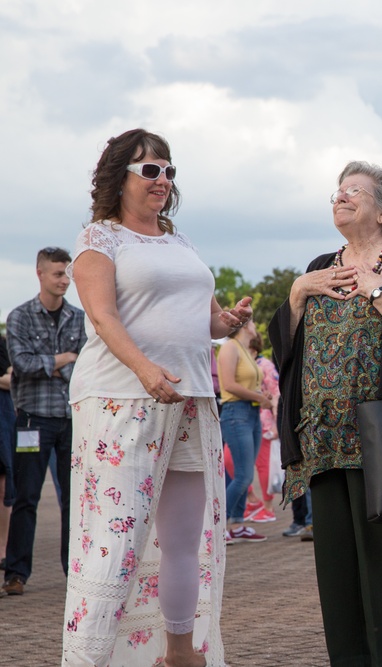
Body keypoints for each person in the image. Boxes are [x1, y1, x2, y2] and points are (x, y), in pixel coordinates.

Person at [62, 129, 251, 666]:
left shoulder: (179, 242)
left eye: (168, 171)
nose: (162, 181)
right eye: (150, 170)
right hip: (122, 399)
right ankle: (88, 658)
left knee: (185, 542)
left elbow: (205, 319)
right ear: (118, 176)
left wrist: (227, 321)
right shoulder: (99, 239)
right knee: (114, 544)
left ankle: (180, 653)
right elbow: (103, 317)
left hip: (189, 399)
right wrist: (144, 368)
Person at [269, 160, 382, 665]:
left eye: (354, 192)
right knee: (337, 572)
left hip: (380, 439)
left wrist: (377, 291)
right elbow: (288, 349)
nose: (340, 198)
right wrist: (298, 293)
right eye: (337, 192)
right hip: (321, 440)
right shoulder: (320, 263)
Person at [3, 247, 86, 600]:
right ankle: (17, 573)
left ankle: (76, 572)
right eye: (57, 274)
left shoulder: (80, 317)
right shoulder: (20, 317)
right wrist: (64, 358)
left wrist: (52, 363)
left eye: (67, 274)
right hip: (32, 419)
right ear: (40, 274)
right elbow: (20, 364)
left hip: (71, 419)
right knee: (26, 497)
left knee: (75, 499)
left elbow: (86, 365)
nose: (64, 280)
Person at [217, 318, 273, 543]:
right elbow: (229, 385)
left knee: (244, 473)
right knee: (243, 476)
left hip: (251, 413)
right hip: (236, 413)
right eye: (251, 321)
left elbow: (248, 384)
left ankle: (237, 525)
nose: (255, 325)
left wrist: (261, 396)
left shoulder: (244, 351)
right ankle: (216, 526)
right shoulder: (230, 347)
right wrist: (260, 397)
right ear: (243, 326)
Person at [243, 331, 280, 523]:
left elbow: (276, 394)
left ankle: (268, 507)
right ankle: (252, 499)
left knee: (263, 464)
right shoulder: (242, 364)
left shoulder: (265, 366)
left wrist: (276, 425)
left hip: (264, 422)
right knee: (229, 461)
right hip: (245, 419)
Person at [0, 335, 14, 576]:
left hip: (2, 420)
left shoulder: (2, 343)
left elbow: (14, 379)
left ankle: (3, 550)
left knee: (4, 488)